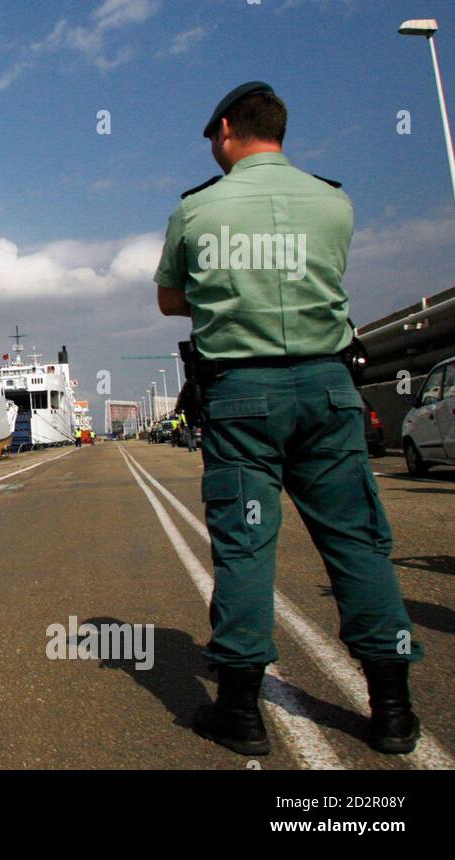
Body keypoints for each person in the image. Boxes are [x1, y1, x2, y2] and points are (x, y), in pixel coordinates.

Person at [155, 82, 422, 755]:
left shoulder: (196, 211)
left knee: (246, 547)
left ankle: (241, 714)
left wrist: (228, 301)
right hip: (330, 391)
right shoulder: (334, 202)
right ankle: (392, 711)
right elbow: (322, 277)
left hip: (242, 397)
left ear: (224, 129)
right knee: (358, 545)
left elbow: (169, 300)